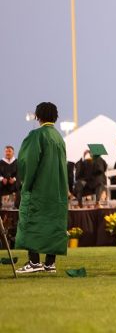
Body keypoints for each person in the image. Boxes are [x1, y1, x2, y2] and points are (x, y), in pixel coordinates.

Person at [15, 102, 68, 274]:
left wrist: (26, 183)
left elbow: (27, 162)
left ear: (38, 116)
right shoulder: (58, 137)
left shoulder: (37, 135)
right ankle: (50, 263)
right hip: (57, 190)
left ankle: (34, 262)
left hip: (40, 188)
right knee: (53, 223)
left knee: (32, 221)